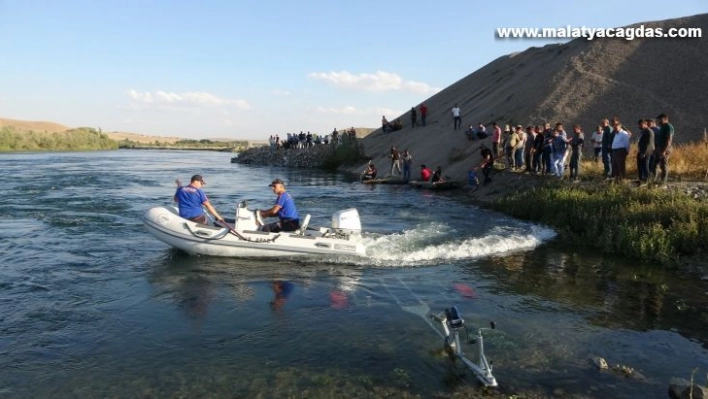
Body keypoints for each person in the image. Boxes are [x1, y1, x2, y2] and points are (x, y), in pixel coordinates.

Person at [653, 113, 674, 186]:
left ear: (665, 119)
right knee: (655, 164)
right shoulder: (662, 126)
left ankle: (663, 182)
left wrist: (664, 150)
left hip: (665, 148)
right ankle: (654, 180)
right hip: (659, 147)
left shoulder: (668, 126)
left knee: (663, 165)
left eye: (660, 120)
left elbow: (669, 139)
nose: (659, 121)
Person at [636, 119, 655, 184]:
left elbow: (649, 143)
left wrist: (644, 152)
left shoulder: (649, 131)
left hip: (646, 153)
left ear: (645, 124)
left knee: (645, 166)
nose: (639, 126)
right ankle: (641, 179)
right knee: (640, 166)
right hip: (640, 151)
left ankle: (647, 180)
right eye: (639, 125)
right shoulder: (643, 131)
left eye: (641, 125)